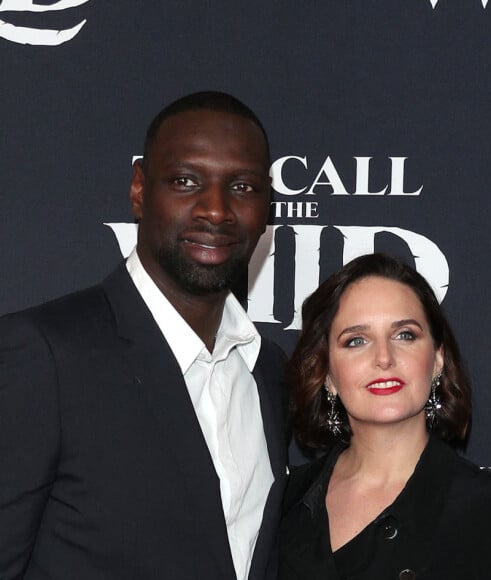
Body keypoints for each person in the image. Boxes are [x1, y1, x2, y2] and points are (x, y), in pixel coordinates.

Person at [0, 91, 288, 580]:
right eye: (185, 181)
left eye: (242, 186)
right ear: (138, 189)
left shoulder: (269, 371)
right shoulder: (44, 354)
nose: (215, 210)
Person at [279, 253, 491, 580]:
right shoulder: (287, 500)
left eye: (405, 335)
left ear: (437, 359)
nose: (384, 357)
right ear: (327, 373)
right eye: (356, 340)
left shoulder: (490, 511)